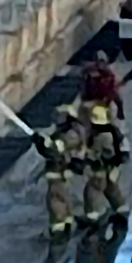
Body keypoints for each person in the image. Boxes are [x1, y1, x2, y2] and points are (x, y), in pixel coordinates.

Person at [35, 103, 84, 241]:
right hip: (64, 174)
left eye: (59, 117)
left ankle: (58, 233)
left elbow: (52, 151)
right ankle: (67, 226)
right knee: (64, 200)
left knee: (55, 202)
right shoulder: (76, 132)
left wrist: (39, 143)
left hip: (58, 174)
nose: (56, 120)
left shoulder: (68, 135)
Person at [80, 102, 129, 227]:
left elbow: (103, 153)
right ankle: (121, 208)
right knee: (111, 188)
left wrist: (88, 157)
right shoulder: (112, 132)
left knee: (92, 191)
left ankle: (92, 215)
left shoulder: (102, 137)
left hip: (100, 168)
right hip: (109, 168)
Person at [80, 49, 125, 119]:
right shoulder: (90, 71)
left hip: (105, 97)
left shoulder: (109, 73)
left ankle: (120, 112)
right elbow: (86, 85)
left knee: (118, 99)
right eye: (100, 61)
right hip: (94, 97)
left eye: (103, 62)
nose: (102, 64)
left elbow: (112, 88)